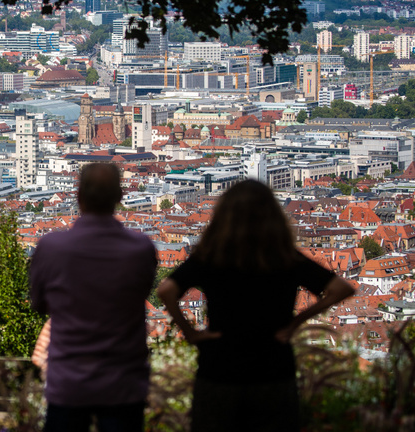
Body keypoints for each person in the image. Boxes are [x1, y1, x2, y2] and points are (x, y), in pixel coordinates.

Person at [157, 179, 355, 432]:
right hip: (272, 367)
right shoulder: (284, 256)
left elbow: (166, 290)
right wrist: (296, 323)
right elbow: (342, 288)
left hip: (220, 366)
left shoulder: (212, 255)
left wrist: (191, 332)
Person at [30, 163, 157, 432]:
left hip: (69, 381)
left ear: (78, 196)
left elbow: (39, 304)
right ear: (120, 197)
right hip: (123, 382)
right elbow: (142, 296)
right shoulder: (140, 249)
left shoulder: (51, 248)